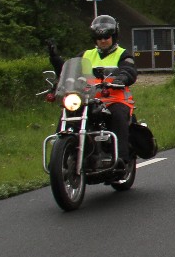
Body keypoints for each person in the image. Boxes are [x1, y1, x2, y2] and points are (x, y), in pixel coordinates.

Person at [49, 14, 138, 172]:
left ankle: (121, 159)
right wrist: (55, 58)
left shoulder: (123, 54)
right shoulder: (86, 55)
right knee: (68, 111)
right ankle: (59, 156)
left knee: (118, 115)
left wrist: (122, 77)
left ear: (114, 36)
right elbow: (68, 71)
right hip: (87, 99)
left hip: (114, 99)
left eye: (106, 37)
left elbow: (129, 70)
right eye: (99, 37)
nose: (103, 40)